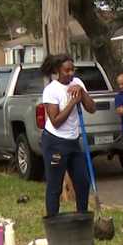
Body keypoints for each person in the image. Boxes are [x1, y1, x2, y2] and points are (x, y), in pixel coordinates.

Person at [39, 53, 97, 217]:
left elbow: (92, 108)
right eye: (67, 70)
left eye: (73, 69)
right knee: (55, 185)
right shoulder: (51, 90)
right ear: (58, 70)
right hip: (55, 142)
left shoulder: (77, 82)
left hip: (73, 142)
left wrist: (82, 93)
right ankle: (52, 222)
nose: (71, 73)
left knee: (82, 182)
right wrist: (73, 101)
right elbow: (56, 121)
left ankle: (82, 219)